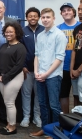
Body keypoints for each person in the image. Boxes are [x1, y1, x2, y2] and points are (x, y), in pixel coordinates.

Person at [30, 8, 67, 138]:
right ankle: (45, 129)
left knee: (54, 105)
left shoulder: (59, 35)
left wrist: (46, 74)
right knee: (42, 104)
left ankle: (55, 131)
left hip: (53, 76)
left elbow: (59, 58)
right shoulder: (40, 36)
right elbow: (37, 56)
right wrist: (36, 72)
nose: (45, 20)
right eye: (43, 17)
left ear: (53, 18)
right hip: (40, 75)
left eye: (48, 17)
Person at [0, 22, 26, 135]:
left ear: (16, 33)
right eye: (6, 32)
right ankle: (9, 124)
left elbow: (19, 66)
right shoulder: (4, 46)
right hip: (2, 78)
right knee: (6, 102)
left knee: (9, 102)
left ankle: (12, 127)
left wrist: (5, 77)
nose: (8, 34)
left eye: (11, 32)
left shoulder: (20, 47)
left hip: (14, 78)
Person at [20, 7, 43, 128]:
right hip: (27, 70)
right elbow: (20, 51)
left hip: (41, 70)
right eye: (30, 16)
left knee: (38, 95)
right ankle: (26, 117)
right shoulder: (22, 31)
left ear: (38, 17)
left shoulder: (44, 30)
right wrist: (23, 66)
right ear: (27, 17)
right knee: (26, 94)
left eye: (35, 16)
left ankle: (37, 117)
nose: (32, 18)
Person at [57, 3, 81, 113]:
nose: (66, 12)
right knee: (63, 94)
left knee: (77, 94)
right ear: (61, 14)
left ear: (73, 12)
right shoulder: (58, 29)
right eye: (64, 11)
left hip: (77, 67)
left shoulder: (81, 27)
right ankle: (66, 117)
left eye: (69, 10)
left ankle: (76, 117)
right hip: (62, 67)